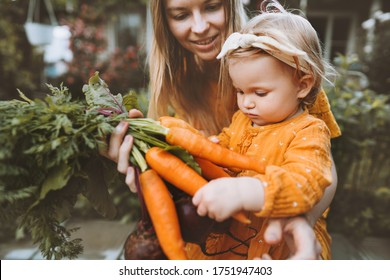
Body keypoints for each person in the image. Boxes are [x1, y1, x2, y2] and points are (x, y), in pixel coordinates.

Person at [105, 0, 340, 259]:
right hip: (222, 241)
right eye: (181, 14)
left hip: (278, 244)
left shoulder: (283, 58)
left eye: (211, 7)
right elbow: (212, 158)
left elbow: (317, 171)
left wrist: (294, 217)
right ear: (166, 22)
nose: (200, 27)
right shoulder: (226, 109)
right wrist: (154, 166)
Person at [189, 1, 335, 259]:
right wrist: (204, 148)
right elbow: (223, 147)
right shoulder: (243, 120)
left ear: (302, 85)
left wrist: (248, 191)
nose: (246, 102)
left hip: (274, 245)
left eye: (260, 92)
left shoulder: (309, 131)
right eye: (240, 91)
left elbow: (306, 183)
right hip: (228, 241)